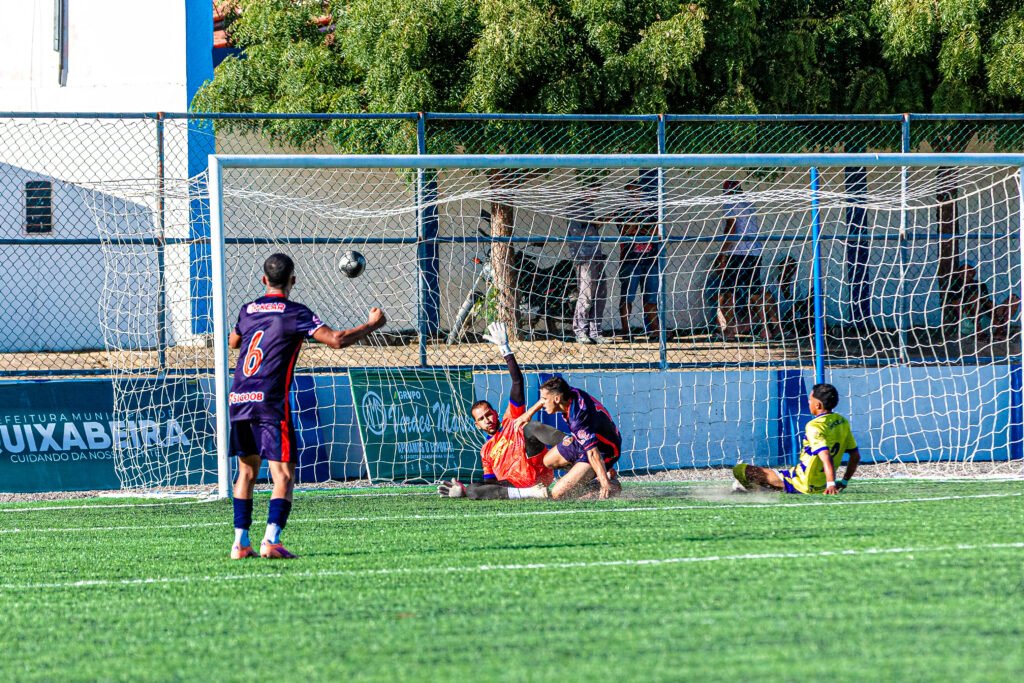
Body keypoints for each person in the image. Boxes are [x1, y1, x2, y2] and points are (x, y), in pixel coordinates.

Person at [228, 253, 386, 560]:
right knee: (283, 475)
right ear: (293, 281)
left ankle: (239, 543)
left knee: (246, 472)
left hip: (239, 398)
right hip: (269, 402)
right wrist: (372, 324)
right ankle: (271, 540)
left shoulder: (248, 310)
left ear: (263, 280)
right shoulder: (295, 312)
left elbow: (235, 342)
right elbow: (337, 340)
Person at [437, 322, 562, 500]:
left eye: (488, 414)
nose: (487, 419)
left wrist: (505, 349)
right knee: (472, 490)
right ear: (477, 425)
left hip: (538, 473)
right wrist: (464, 491)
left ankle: (574, 446)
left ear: (495, 412)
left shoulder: (511, 419)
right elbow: (491, 484)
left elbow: (517, 382)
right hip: (514, 486)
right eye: (481, 419)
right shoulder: (486, 451)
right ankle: (530, 494)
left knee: (530, 426)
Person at [732, 383, 860, 495]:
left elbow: (825, 455)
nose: (808, 402)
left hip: (801, 483)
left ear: (818, 405)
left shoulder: (814, 426)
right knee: (780, 473)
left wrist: (831, 484)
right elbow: (855, 456)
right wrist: (843, 481)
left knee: (740, 470)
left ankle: (758, 491)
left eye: (810, 400)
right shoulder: (842, 422)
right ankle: (767, 486)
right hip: (820, 484)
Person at [515, 376, 623, 500]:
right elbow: (549, 395)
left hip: (604, 450)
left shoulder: (578, 418)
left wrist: (604, 482)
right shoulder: (568, 392)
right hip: (583, 441)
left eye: (544, 399)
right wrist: (528, 414)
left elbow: (593, 453)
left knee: (557, 494)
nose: (542, 403)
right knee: (548, 461)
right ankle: (587, 474)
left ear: (557, 399)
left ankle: (609, 483)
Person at [714, 180, 772, 340]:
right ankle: (767, 328)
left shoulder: (730, 202)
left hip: (738, 253)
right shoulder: (748, 203)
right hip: (754, 252)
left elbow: (731, 229)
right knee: (754, 291)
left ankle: (730, 329)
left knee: (726, 292)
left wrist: (722, 253)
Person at [617, 181, 661, 340]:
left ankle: (655, 330)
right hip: (630, 260)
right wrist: (638, 222)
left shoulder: (651, 211)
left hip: (649, 260)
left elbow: (655, 231)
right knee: (627, 296)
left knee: (651, 297)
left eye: (637, 193)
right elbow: (627, 230)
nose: (634, 196)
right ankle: (626, 330)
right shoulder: (622, 211)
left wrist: (641, 228)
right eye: (630, 194)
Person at [568, 194, 610, 344]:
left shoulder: (589, 208)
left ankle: (595, 331)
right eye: (593, 190)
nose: (596, 194)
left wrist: (600, 221)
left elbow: (591, 227)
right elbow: (579, 231)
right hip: (584, 258)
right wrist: (596, 222)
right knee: (586, 295)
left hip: (596, 255)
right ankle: (580, 331)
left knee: (600, 293)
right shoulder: (575, 206)